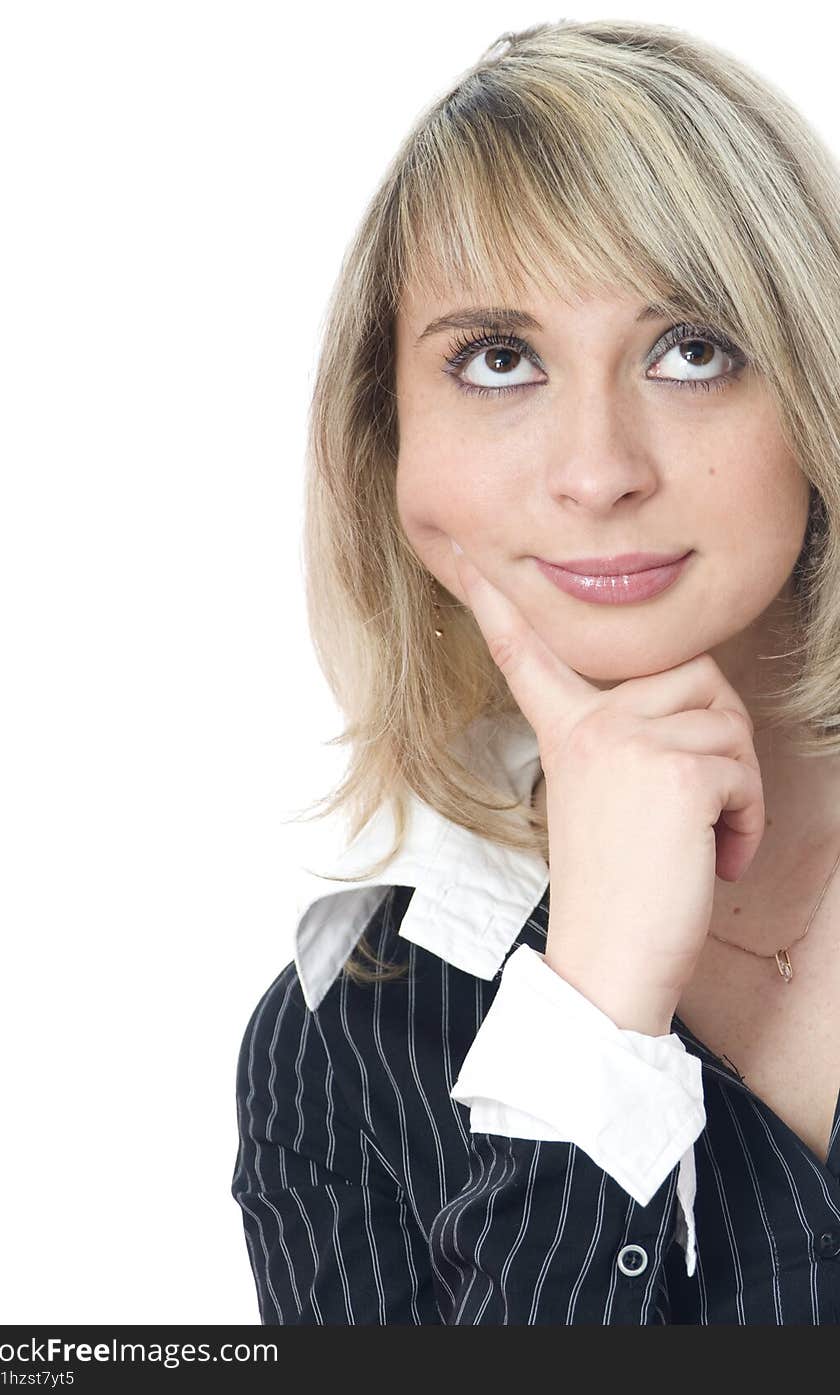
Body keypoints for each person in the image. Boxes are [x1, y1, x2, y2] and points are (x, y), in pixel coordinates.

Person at [231, 18, 840, 1324]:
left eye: (694, 348)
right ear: (387, 446)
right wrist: (596, 1006)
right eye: (499, 361)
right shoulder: (343, 1045)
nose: (596, 469)